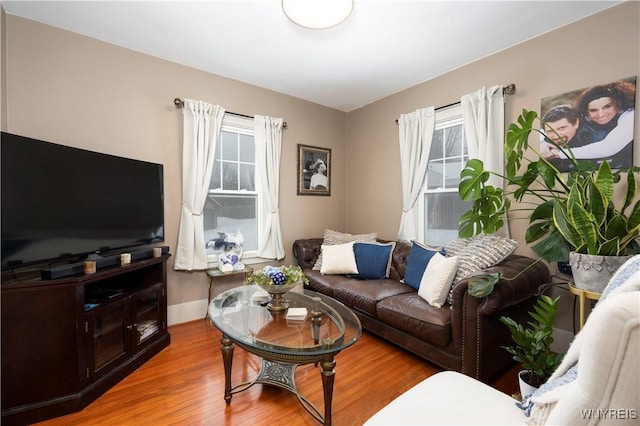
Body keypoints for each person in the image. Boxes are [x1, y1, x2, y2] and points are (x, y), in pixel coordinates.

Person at [542, 80, 635, 169]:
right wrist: (542, 143)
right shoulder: (583, 121)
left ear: (618, 104)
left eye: (607, 106)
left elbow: (608, 147)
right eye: (593, 110)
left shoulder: (632, 115)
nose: (601, 114)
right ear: (586, 112)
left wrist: (560, 153)